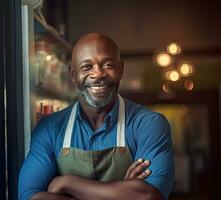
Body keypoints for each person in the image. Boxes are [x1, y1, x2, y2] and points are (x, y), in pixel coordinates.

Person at [18, 33, 174, 200]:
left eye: (107, 65)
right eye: (87, 67)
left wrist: (67, 183)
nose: (98, 74)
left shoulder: (148, 124)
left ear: (120, 69)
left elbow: (149, 197)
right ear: (73, 75)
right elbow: (30, 197)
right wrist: (121, 193)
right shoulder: (50, 128)